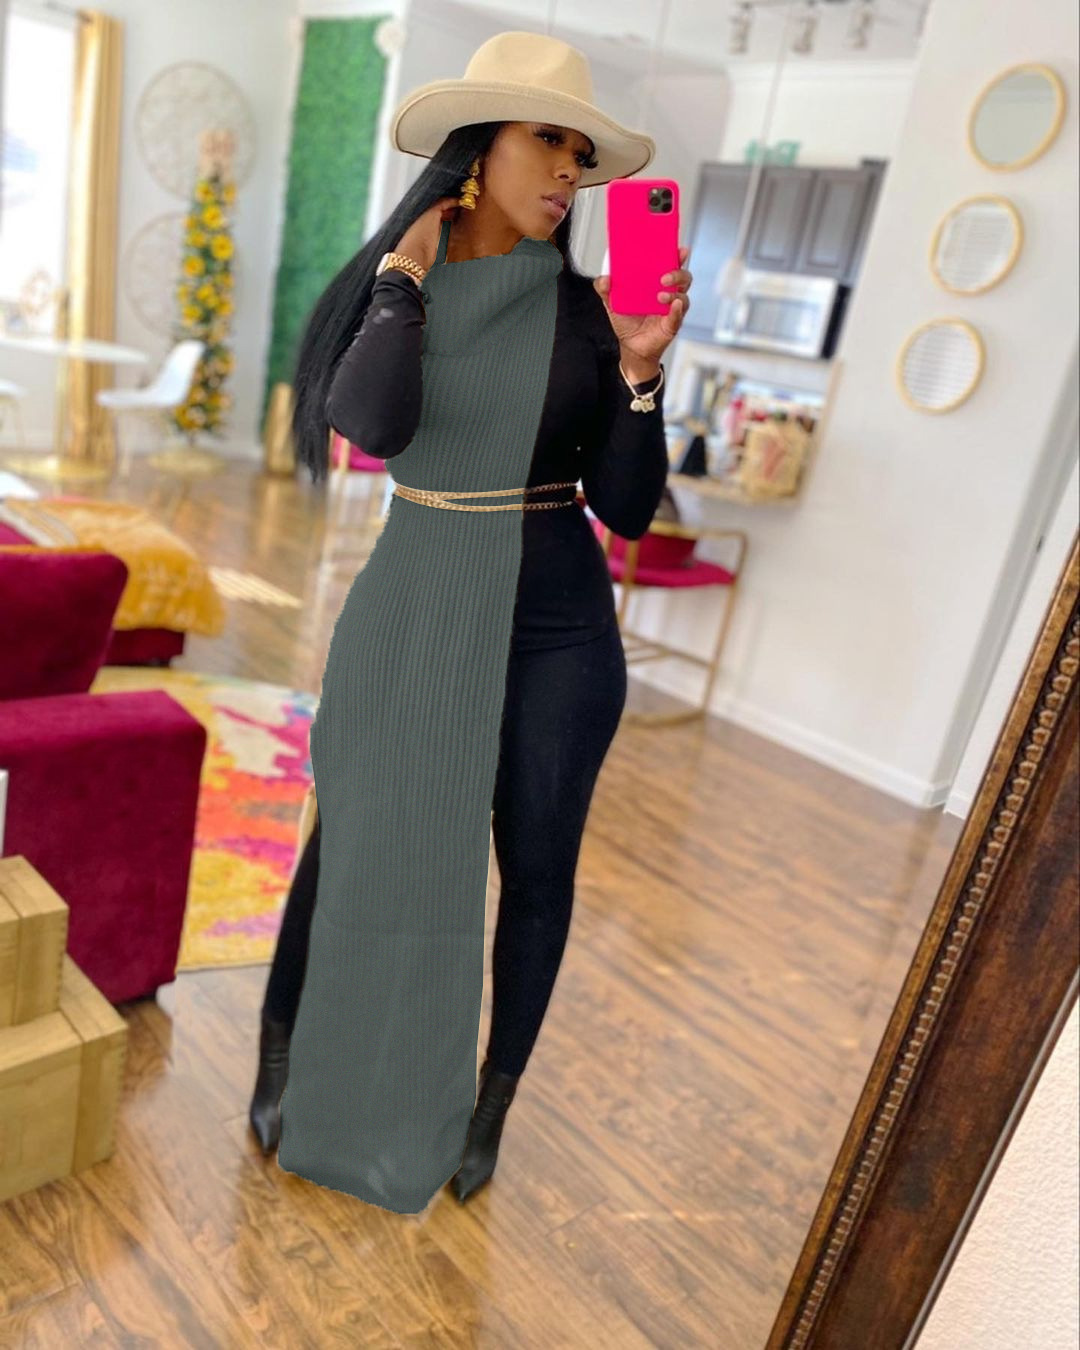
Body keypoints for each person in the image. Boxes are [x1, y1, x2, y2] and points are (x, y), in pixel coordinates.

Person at [250, 30, 693, 1213]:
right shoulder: (400, 287)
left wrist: (642, 374)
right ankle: (285, 1051)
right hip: (415, 598)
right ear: (478, 148)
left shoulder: (592, 315)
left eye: (579, 151)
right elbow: (373, 424)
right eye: (547, 140)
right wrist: (403, 280)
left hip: (557, 631)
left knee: (536, 868)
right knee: (353, 835)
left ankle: (489, 1101)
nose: (568, 169)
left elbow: (627, 508)